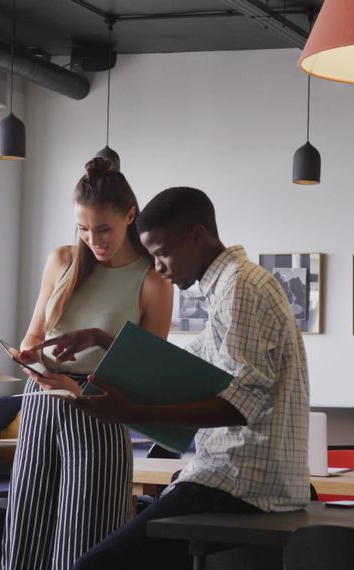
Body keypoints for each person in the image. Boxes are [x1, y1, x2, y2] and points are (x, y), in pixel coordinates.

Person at [53, 186, 311, 570]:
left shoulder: (240, 287)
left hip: (241, 484)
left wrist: (134, 411)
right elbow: (186, 367)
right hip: (237, 479)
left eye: (161, 253)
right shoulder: (231, 285)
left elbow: (237, 406)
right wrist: (99, 339)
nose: (157, 267)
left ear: (197, 237)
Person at [0, 157, 174, 570]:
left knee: (86, 539)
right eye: (83, 228)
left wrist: (97, 341)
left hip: (100, 408)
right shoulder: (62, 260)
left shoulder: (153, 279)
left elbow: (149, 372)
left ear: (130, 216)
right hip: (42, 401)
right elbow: (33, 335)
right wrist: (32, 358)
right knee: (26, 531)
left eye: (103, 229)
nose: (93, 239)